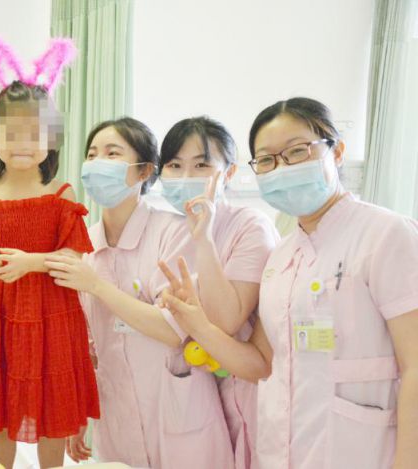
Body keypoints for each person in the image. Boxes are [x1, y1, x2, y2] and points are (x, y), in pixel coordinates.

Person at [160, 97, 418, 469]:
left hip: (363, 452)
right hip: (281, 451)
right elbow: (260, 364)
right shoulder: (281, 258)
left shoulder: (386, 235)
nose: (281, 168)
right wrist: (198, 324)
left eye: (296, 151)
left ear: (337, 152)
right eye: (266, 160)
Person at [46, 117, 234, 469]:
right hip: (114, 414)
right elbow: (88, 344)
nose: (97, 163)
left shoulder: (172, 232)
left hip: (176, 411)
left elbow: (174, 329)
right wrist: (80, 410)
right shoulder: (85, 244)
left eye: (112, 153)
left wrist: (96, 285)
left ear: (145, 170)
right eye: (92, 154)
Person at [0, 38, 99, 469]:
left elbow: (75, 260)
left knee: (51, 414)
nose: (23, 143)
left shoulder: (61, 194)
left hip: (53, 315)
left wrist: (30, 262)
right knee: (1, 415)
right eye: (10, 133)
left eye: (35, 134)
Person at [158, 116, 278, 469]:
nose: (185, 176)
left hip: (245, 386)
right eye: (175, 165)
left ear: (229, 172)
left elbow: (226, 319)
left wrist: (204, 239)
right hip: (198, 388)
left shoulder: (251, 226)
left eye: (201, 165)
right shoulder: (171, 229)